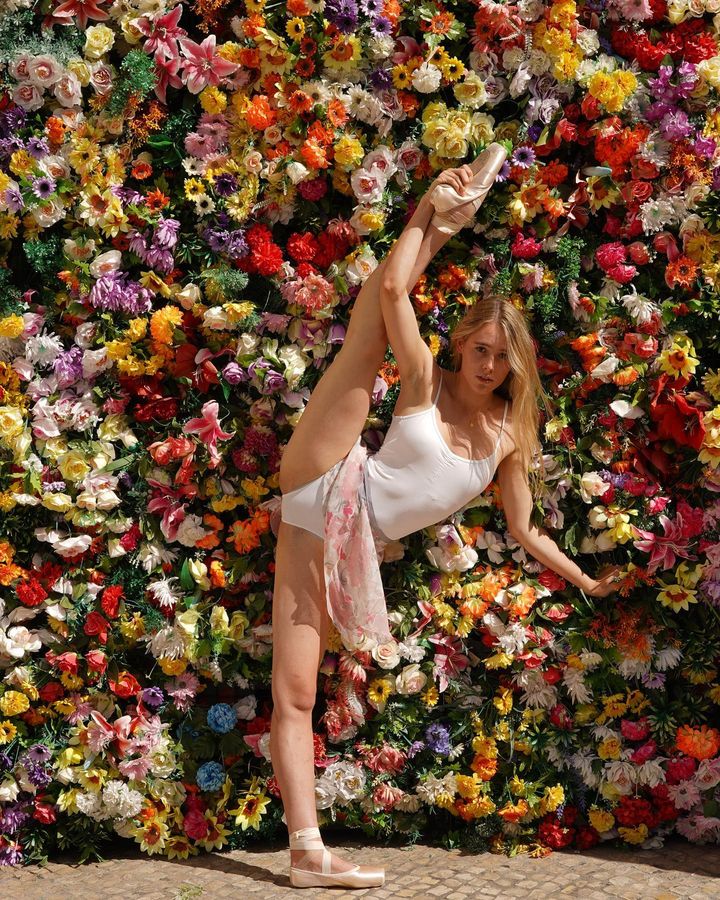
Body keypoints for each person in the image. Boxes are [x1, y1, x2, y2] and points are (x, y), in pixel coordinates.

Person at [269, 144, 622, 889]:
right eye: (481, 349)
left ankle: (307, 855)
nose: (489, 366)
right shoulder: (426, 379)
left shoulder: (507, 439)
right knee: (372, 327)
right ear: (462, 344)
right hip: (328, 476)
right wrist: (427, 214)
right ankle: (445, 211)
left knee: (296, 693)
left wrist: (585, 581)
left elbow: (525, 529)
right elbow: (395, 290)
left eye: (503, 358)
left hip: (334, 539)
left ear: (516, 366)